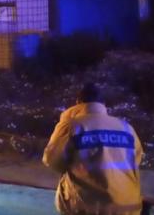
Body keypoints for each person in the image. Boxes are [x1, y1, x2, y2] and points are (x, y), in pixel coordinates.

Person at [43, 83, 144, 215]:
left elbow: (51, 160)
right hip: (129, 207)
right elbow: (136, 159)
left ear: (78, 102)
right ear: (103, 104)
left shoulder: (72, 125)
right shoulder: (126, 127)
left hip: (89, 207)